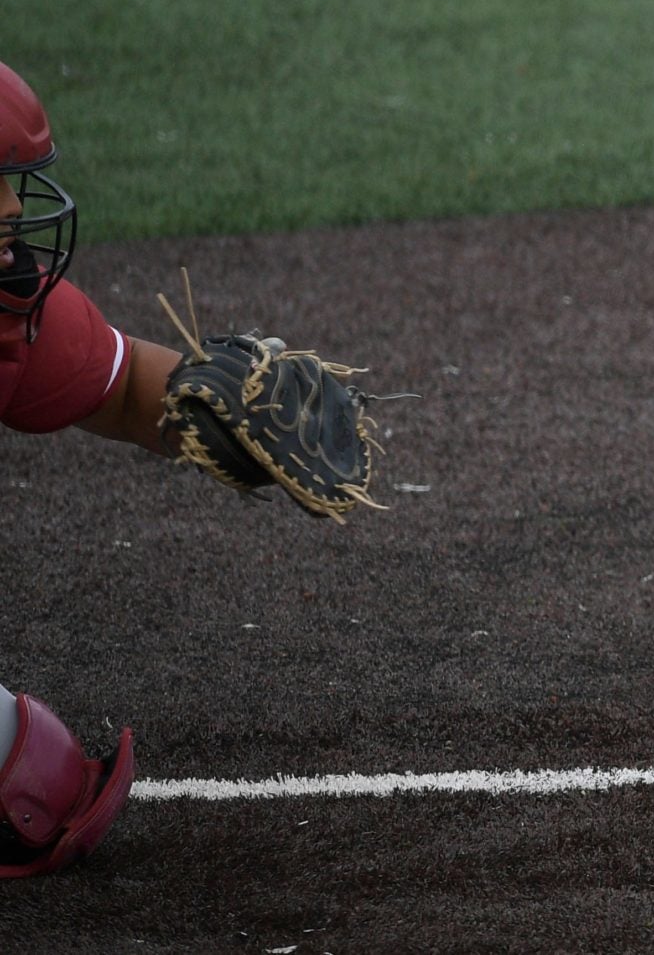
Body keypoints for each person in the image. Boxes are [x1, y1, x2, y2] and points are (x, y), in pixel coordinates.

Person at [1, 60, 381, 875]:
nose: (10, 215)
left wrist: (218, 409)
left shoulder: (7, 308)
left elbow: (123, 385)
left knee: (27, 768)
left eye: (14, 186)